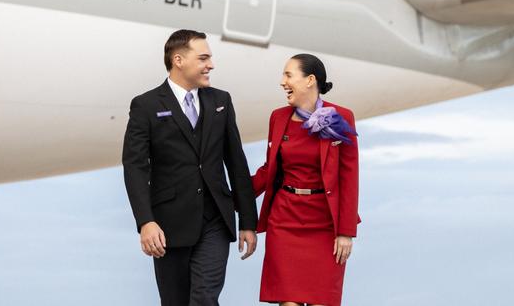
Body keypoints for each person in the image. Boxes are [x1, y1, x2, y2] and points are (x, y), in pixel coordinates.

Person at [122, 29, 258, 306]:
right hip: (168, 225)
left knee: (205, 297)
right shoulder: (145, 105)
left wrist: (247, 221)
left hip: (216, 221)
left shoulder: (221, 101)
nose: (211, 65)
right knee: (175, 301)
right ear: (179, 60)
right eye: (204, 58)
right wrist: (146, 222)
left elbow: (236, 161)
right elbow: (135, 167)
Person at [252, 53, 360, 306]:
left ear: (310, 80)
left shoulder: (341, 117)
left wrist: (346, 232)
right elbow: (270, 171)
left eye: (288, 75)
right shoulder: (278, 117)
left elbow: (349, 176)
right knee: (288, 303)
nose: (282, 82)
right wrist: (231, 196)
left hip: (325, 225)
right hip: (285, 221)